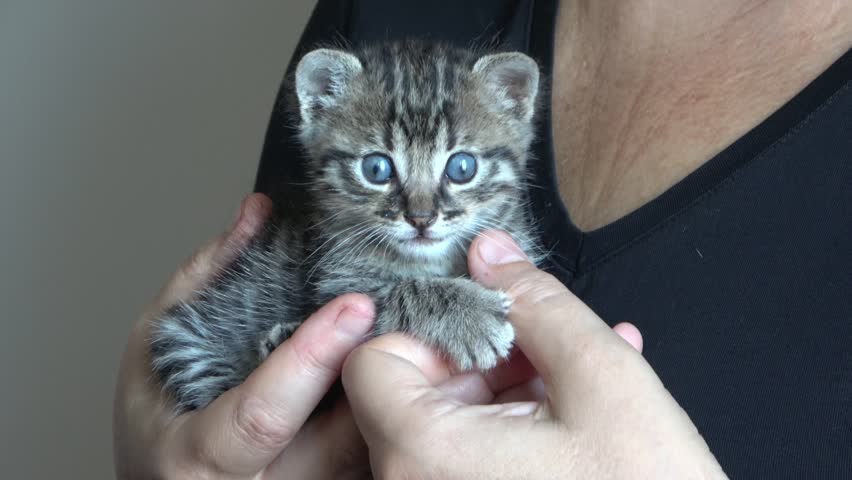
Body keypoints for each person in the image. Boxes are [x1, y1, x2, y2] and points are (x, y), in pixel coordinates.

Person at [114, 0, 852, 478]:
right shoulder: (368, 14)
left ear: (512, 110)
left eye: (459, 170)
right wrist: (154, 453)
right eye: (381, 172)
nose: (423, 211)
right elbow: (203, 400)